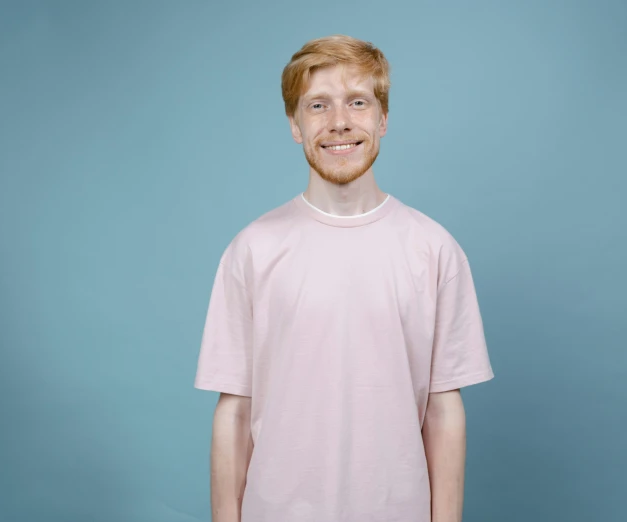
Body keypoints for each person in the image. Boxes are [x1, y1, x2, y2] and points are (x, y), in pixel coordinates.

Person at [194, 34, 494, 522]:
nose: (339, 123)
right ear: (294, 124)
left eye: (358, 102)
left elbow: (443, 411)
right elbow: (234, 410)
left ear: (383, 119)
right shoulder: (252, 249)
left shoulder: (434, 249)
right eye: (318, 105)